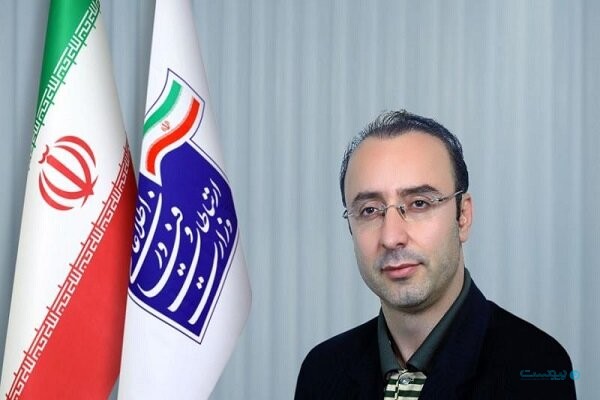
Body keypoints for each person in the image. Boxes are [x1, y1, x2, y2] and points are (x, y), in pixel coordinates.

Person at [294, 110, 576, 399]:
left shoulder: (535, 367)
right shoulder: (322, 372)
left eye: (419, 203)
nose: (391, 237)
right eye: (369, 210)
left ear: (462, 217)